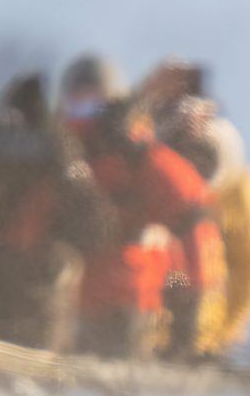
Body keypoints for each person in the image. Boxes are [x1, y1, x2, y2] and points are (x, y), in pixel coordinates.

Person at [75, 93, 223, 358]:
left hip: (123, 296)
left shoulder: (159, 170)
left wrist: (185, 333)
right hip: (102, 294)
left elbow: (195, 238)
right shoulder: (100, 165)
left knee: (165, 274)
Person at [0, 74, 113, 353]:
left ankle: (39, 355)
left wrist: (60, 245)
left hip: (37, 262)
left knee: (55, 273)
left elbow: (96, 221)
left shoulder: (63, 154)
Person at [155, 85, 250, 356]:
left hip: (209, 329)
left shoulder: (243, 190)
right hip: (157, 328)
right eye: (187, 156)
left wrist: (225, 335)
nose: (195, 165)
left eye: (201, 158)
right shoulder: (162, 182)